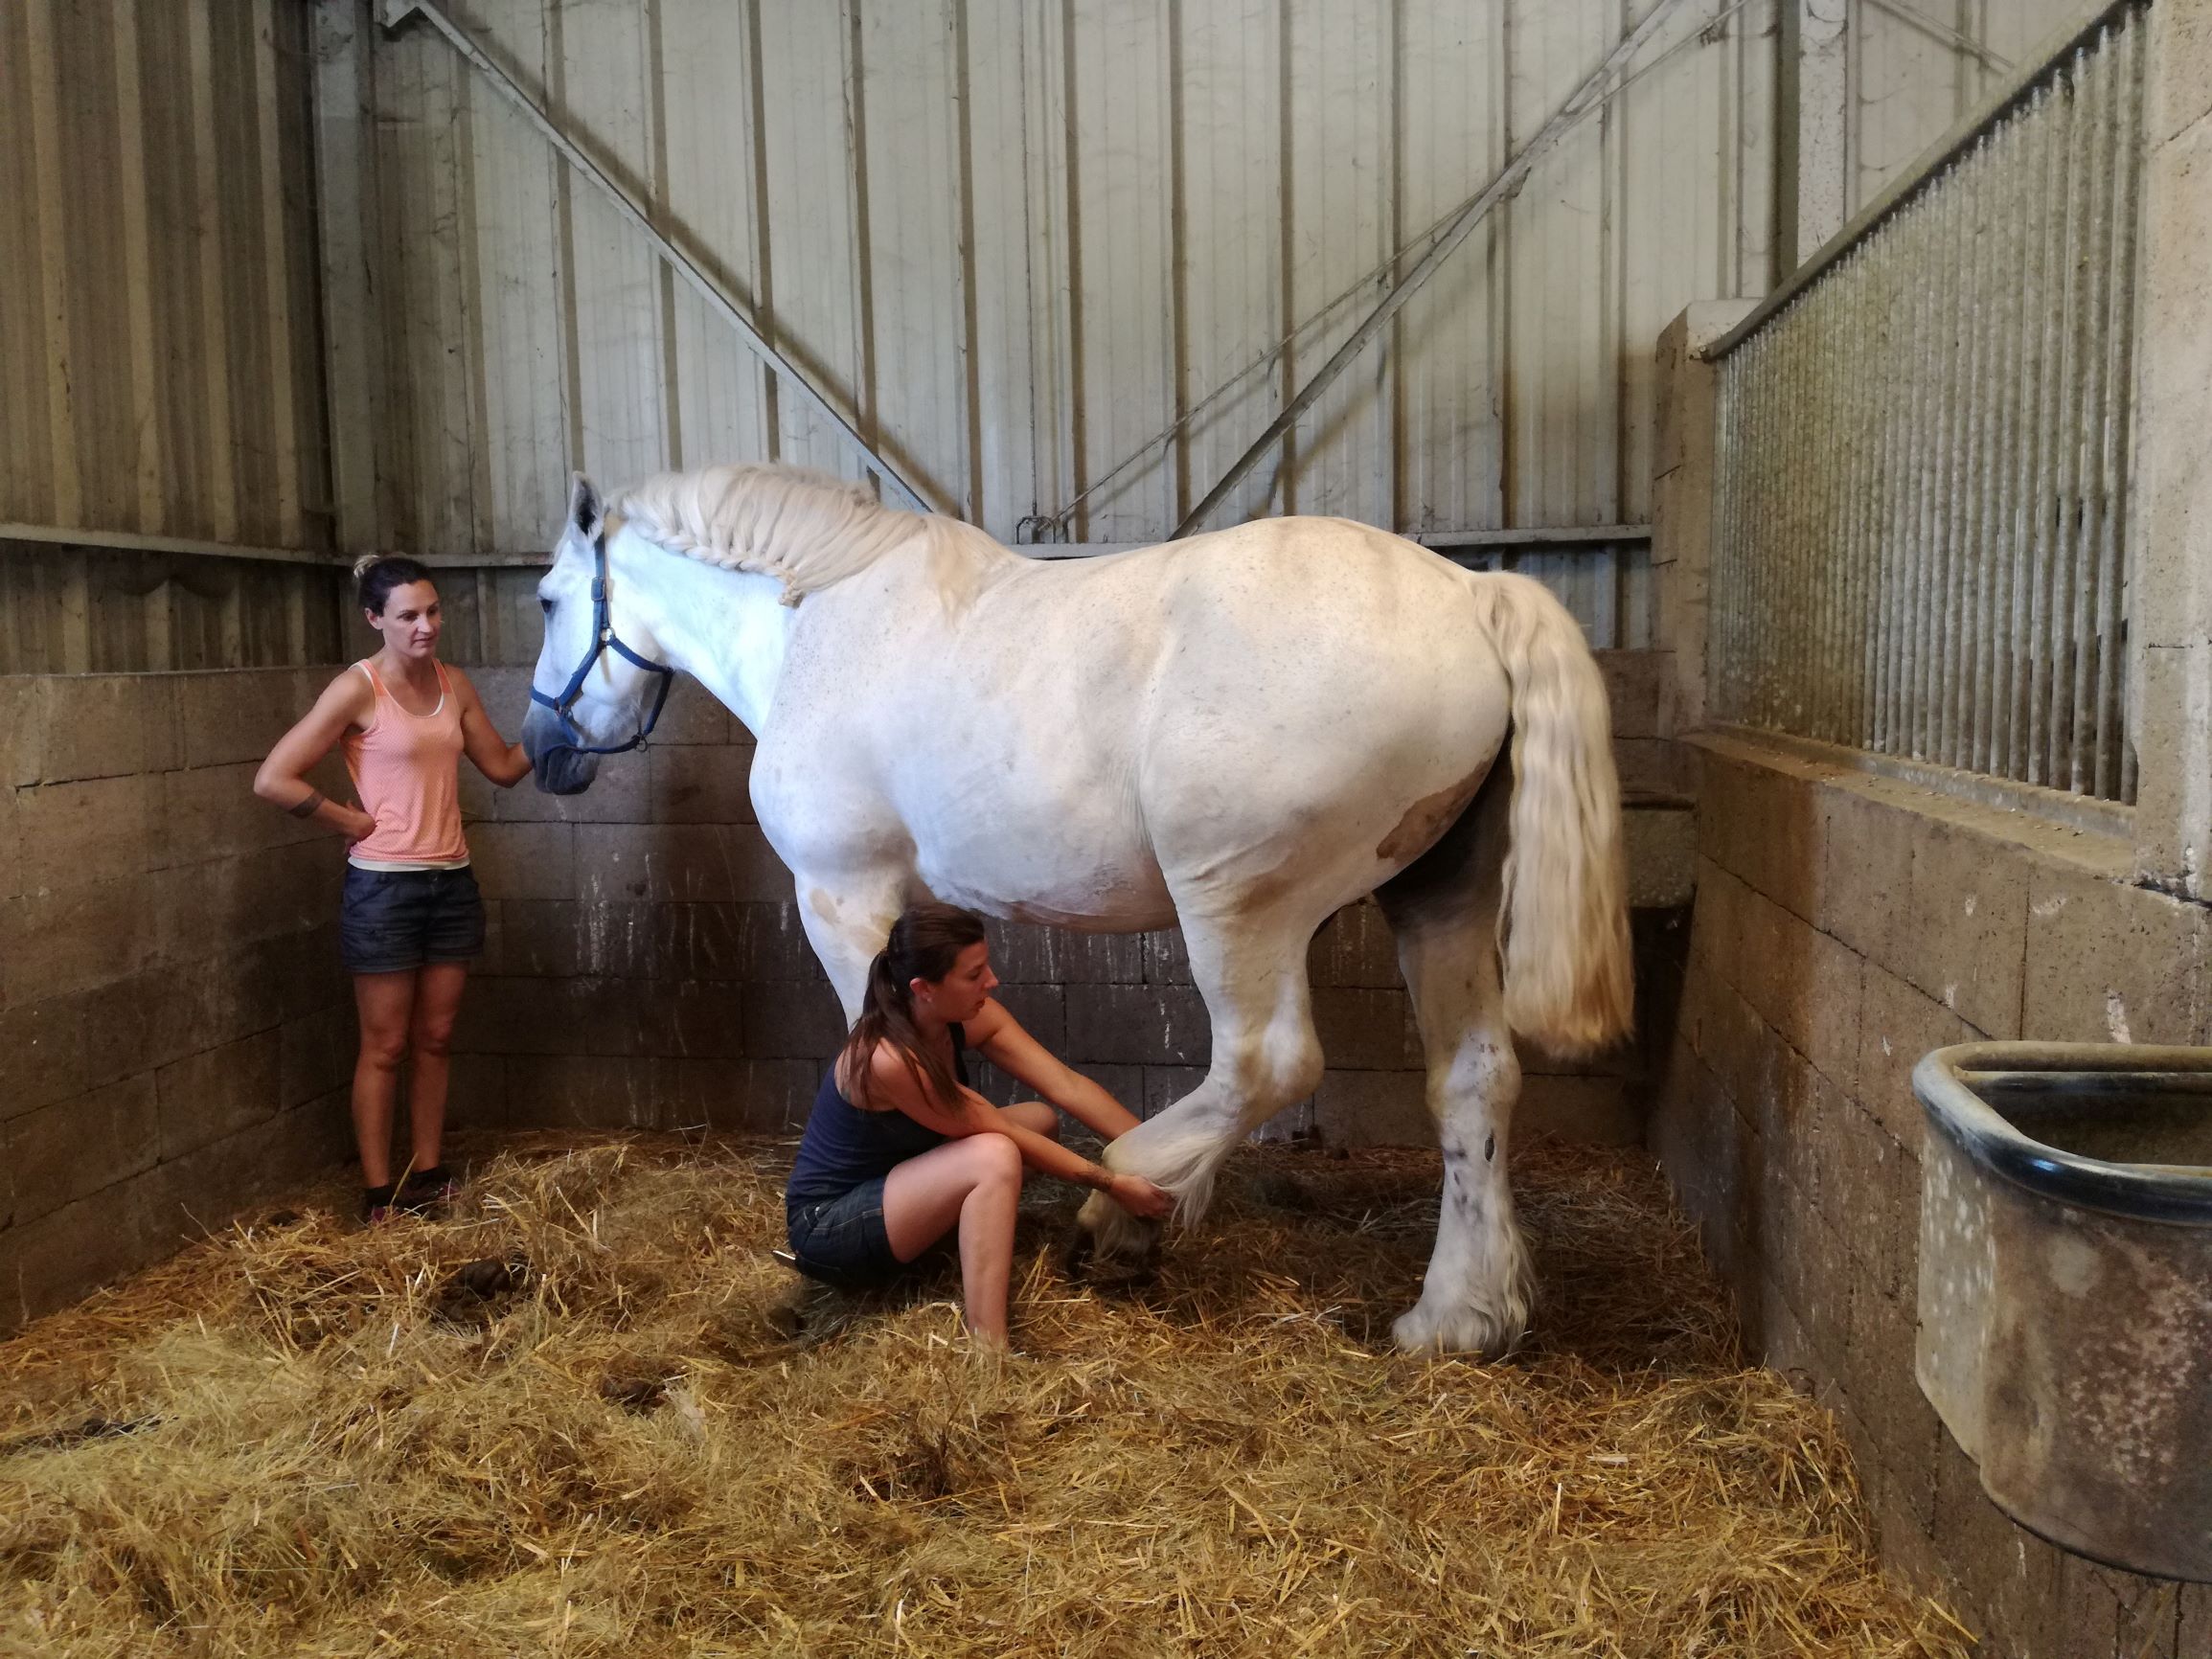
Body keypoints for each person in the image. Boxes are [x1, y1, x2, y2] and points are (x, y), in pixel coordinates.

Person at [254, 555, 533, 1222]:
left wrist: (556, 734)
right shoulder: (357, 689)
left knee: (435, 1036)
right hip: (383, 888)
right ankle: (380, 1194)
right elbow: (274, 778)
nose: (426, 626)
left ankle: (430, 1173)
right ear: (375, 619)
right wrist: (347, 819)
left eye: (432, 611)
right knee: (384, 1045)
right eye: (408, 615)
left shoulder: (454, 684)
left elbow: (500, 767)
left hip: (451, 882)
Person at [786, 902, 1174, 1345]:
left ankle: (952, 1248)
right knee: (994, 1155)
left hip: (899, 1185)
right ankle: (989, 1351)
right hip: (831, 1227)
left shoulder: (966, 1017)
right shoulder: (889, 1058)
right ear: (924, 988)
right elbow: (998, 1132)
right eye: (973, 975)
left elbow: (1066, 1086)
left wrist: (1158, 1156)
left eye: (985, 966)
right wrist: (1115, 1184)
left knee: (1040, 1120)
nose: (991, 981)